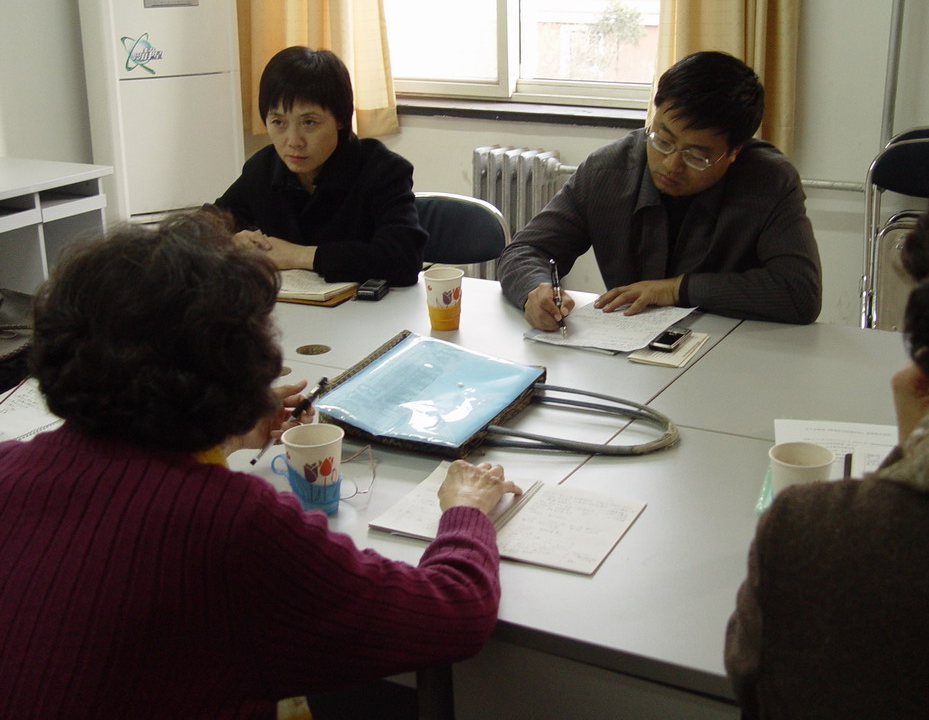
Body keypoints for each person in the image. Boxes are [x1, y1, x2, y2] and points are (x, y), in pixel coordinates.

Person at [0, 210, 520, 719]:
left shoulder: (9, 466)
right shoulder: (233, 524)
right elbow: (452, 615)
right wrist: (466, 511)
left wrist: (228, 432)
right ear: (241, 361)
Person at [725, 128, 929, 718]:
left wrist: (921, 450)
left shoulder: (813, 536)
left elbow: (753, 682)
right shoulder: (610, 168)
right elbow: (535, 246)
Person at [497, 51, 822, 329]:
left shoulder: (768, 182)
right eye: (663, 140)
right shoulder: (607, 171)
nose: (671, 164)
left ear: (734, 151)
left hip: (736, 350)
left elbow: (799, 292)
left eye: (696, 155)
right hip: (631, 349)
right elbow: (526, 251)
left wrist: (677, 289)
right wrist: (535, 290)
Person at [213, 46, 426, 286]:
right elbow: (199, 230)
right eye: (278, 122)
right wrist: (230, 242)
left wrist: (300, 256)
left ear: (341, 120)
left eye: (309, 123)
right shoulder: (263, 168)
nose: (294, 141)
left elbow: (403, 259)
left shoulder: (382, 171)